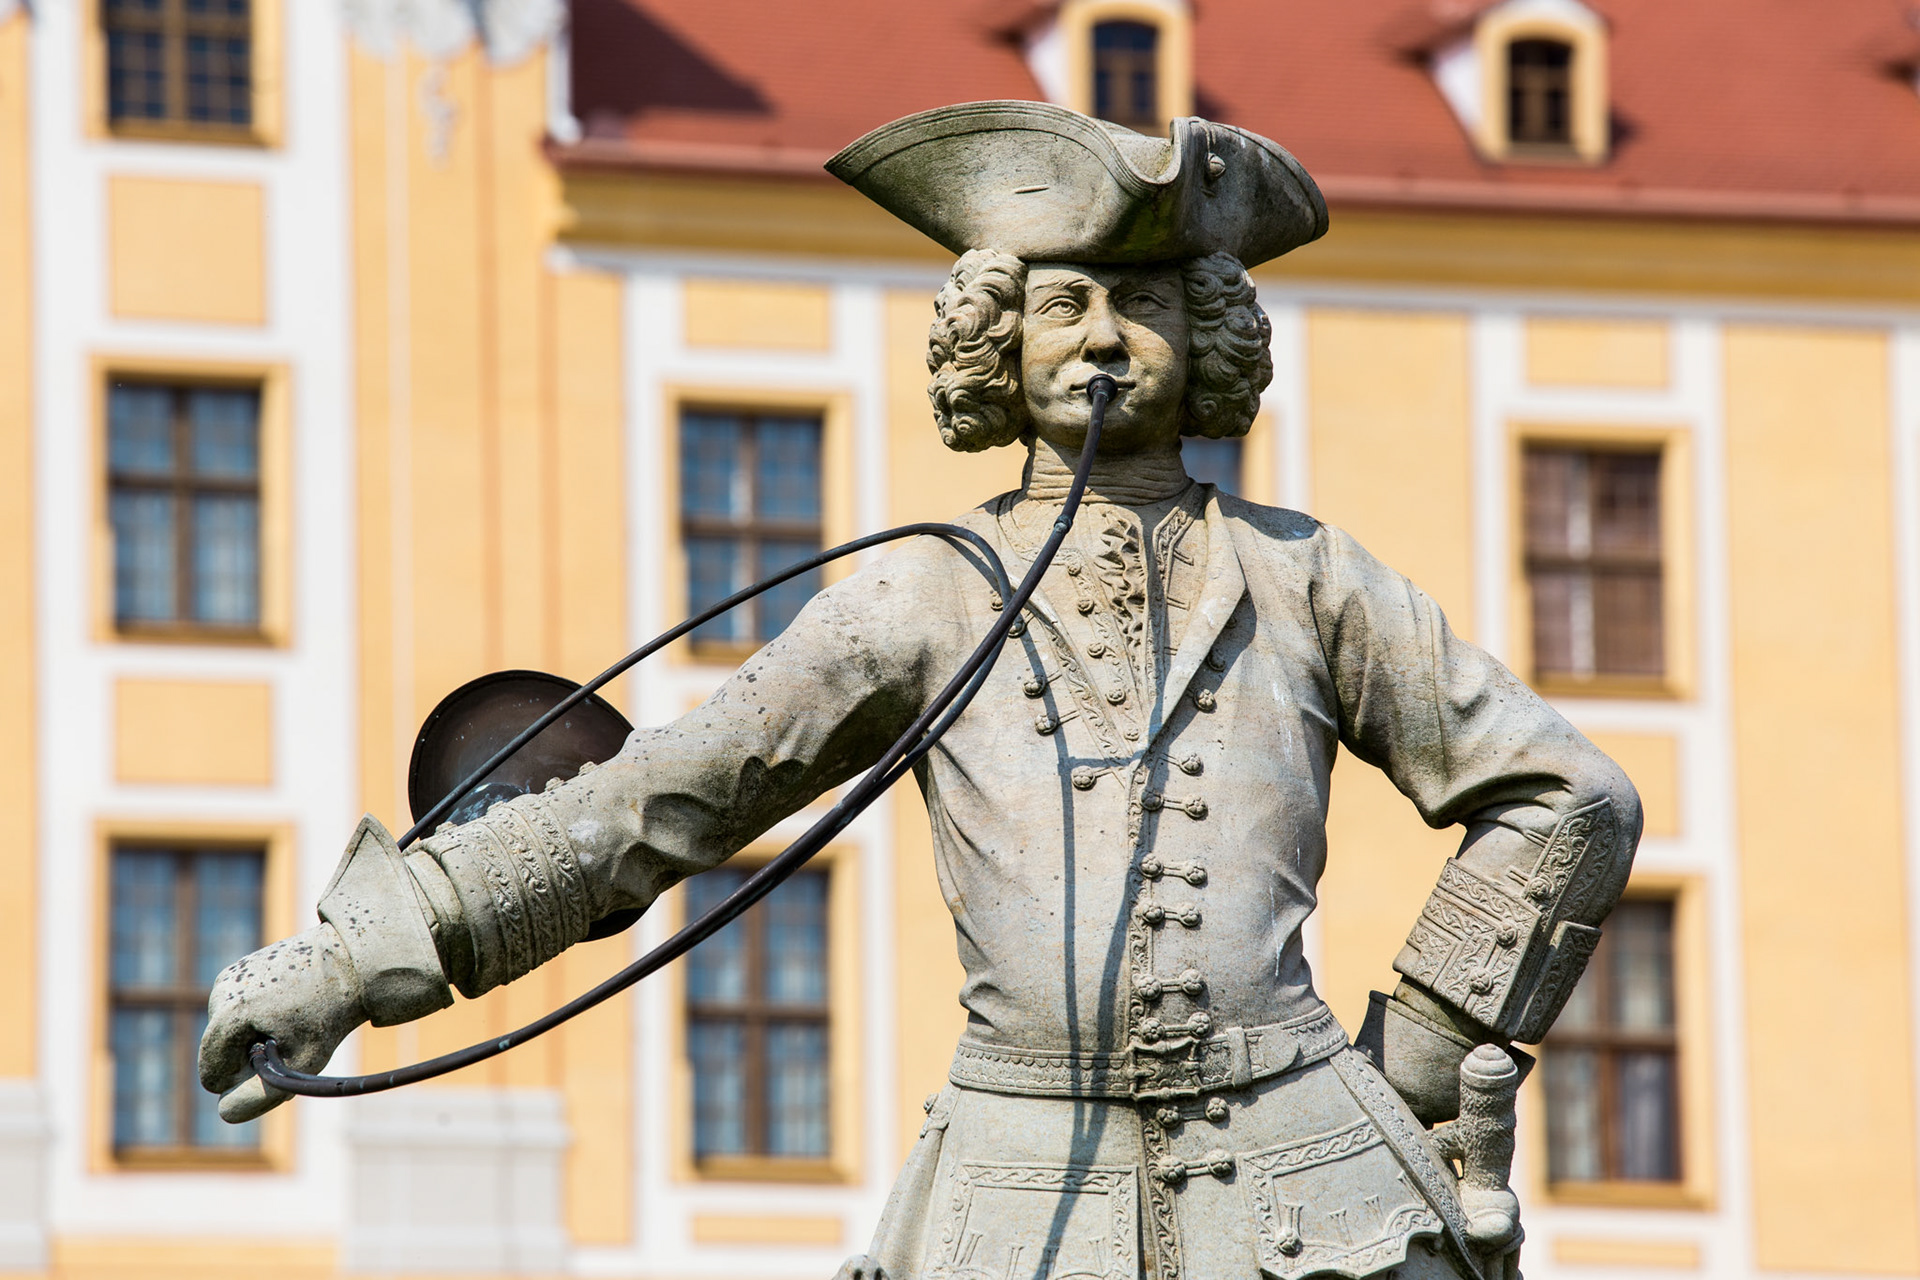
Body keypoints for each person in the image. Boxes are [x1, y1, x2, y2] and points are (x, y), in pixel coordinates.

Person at [200, 102, 1639, 1280]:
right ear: (992, 348)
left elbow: (1567, 795)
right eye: (1064, 303)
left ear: (1206, 334)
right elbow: (657, 802)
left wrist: (1428, 1055)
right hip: (1015, 1196)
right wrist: (348, 962)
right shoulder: (919, 595)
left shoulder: (1310, 576)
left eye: (1143, 305)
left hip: (1310, 1184)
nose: (1101, 340)